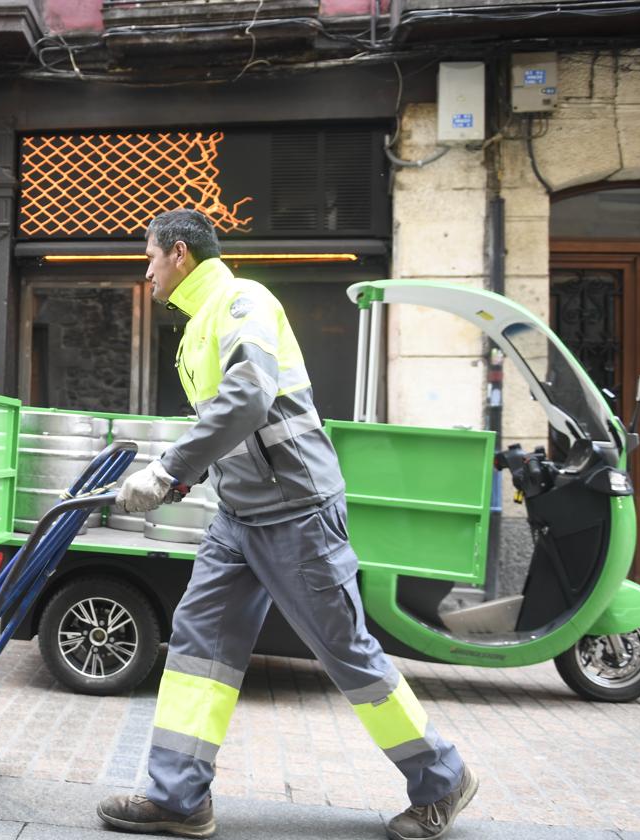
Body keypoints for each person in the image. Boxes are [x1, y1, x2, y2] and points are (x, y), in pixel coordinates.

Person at [97, 209, 476, 840]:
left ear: (181, 253)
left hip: (297, 512)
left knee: (346, 652)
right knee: (198, 647)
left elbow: (248, 397)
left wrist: (169, 469)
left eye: (150, 256)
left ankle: (442, 779)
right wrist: (185, 477)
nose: (147, 269)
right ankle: (180, 799)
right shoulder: (196, 330)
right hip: (240, 515)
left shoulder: (242, 300)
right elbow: (232, 430)